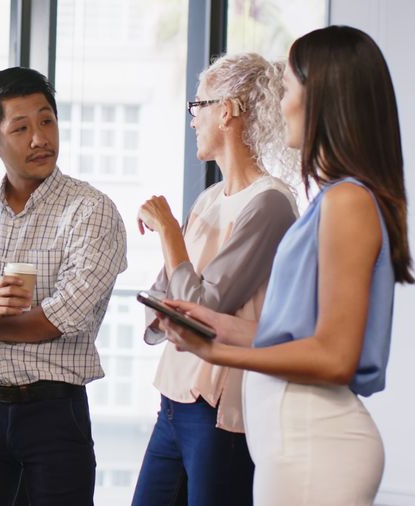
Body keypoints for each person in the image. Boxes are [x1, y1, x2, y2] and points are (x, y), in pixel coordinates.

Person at [158, 25, 415, 505]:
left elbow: (334, 357)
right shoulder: (334, 200)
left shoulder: (347, 203)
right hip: (296, 442)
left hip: (316, 446)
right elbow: (299, 338)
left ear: (321, 98)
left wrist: (221, 354)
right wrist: (217, 326)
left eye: (289, 88)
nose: (279, 104)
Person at [0, 67, 127, 505]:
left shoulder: (91, 211)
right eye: (21, 127)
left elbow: (64, 316)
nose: (40, 138)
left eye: (47, 120)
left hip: (54, 415)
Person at [131, 53, 299, 505]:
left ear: (226, 110)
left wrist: (169, 231)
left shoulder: (269, 204)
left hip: (216, 415)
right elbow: (167, 296)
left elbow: (206, 310)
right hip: (172, 403)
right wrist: (172, 305)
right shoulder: (208, 199)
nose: (192, 121)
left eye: (198, 106)